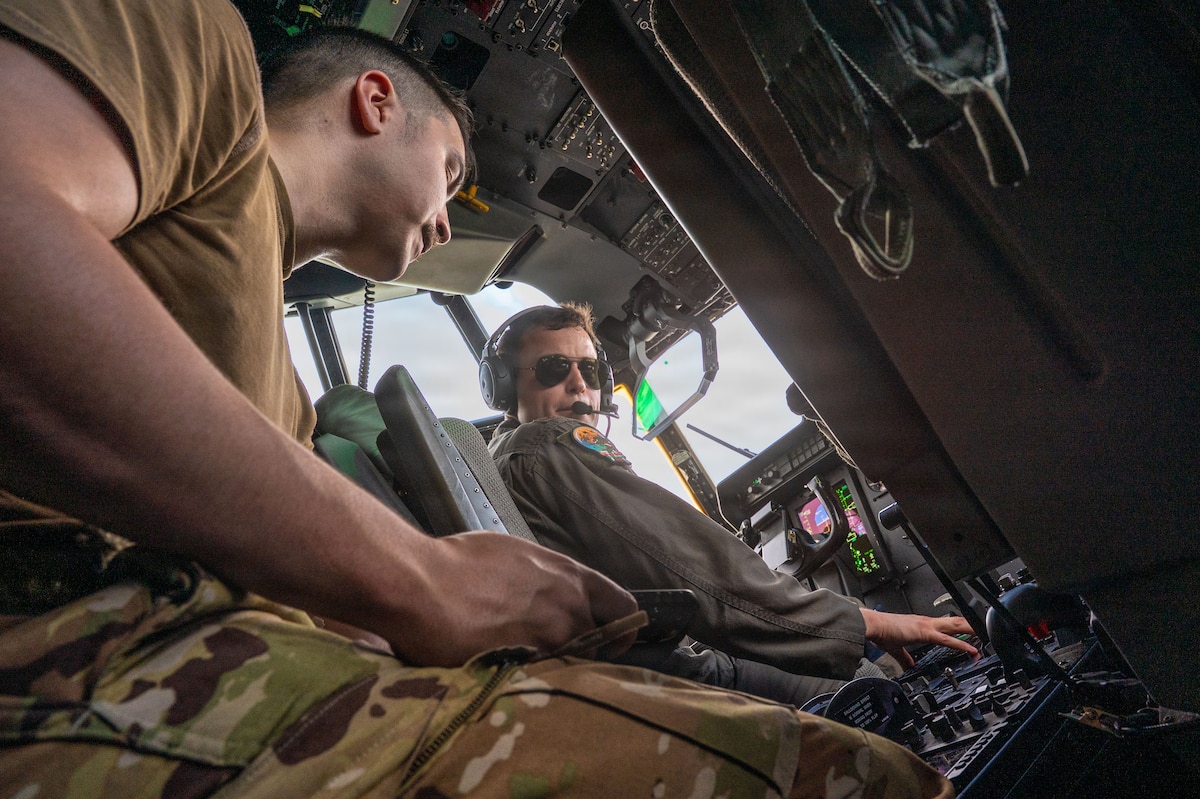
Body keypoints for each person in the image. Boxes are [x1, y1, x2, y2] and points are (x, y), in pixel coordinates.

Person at [0, 1, 954, 797]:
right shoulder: (188, 36)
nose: (452, 215)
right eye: (452, 169)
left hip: (192, 666)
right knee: (858, 780)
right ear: (375, 101)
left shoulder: (280, 388)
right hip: (76, 658)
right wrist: (416, 576)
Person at [485, 304, 979, 688]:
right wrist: (864, 622)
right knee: (874, 680)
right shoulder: (546, 447)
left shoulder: (511, 457)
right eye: (553, 368)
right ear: (506, 389)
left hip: (630, 666)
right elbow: (697, 570)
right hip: (671, 673)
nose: (580, 385)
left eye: (591, 371)